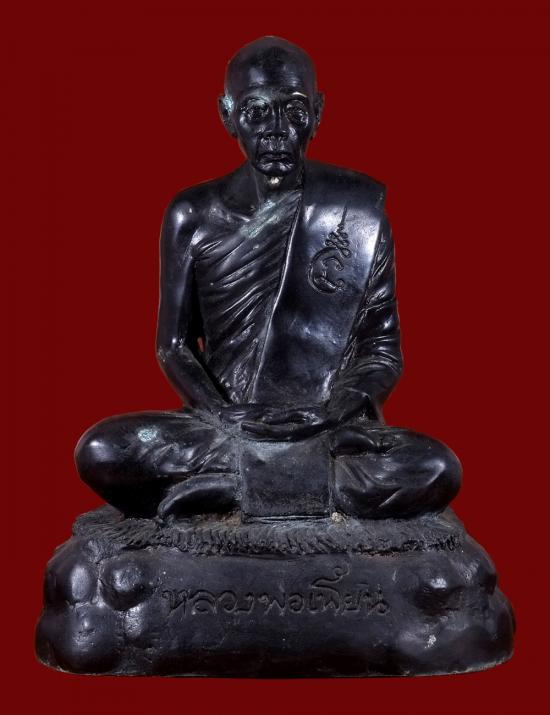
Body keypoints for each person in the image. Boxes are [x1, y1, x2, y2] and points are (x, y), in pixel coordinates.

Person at [76, 36, 461, 520]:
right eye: (256, 112)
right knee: (102, 450)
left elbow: (381, 349)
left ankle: (236, 487)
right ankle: (293, 484)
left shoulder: (356, 210)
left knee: (435, 466)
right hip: (227, 426)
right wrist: (225, 414)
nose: (276, 130)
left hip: (325, 428)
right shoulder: (191, 214)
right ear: (227, 115)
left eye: (294, 111)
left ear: (317, 114)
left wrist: (334, 410)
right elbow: (173, 345)